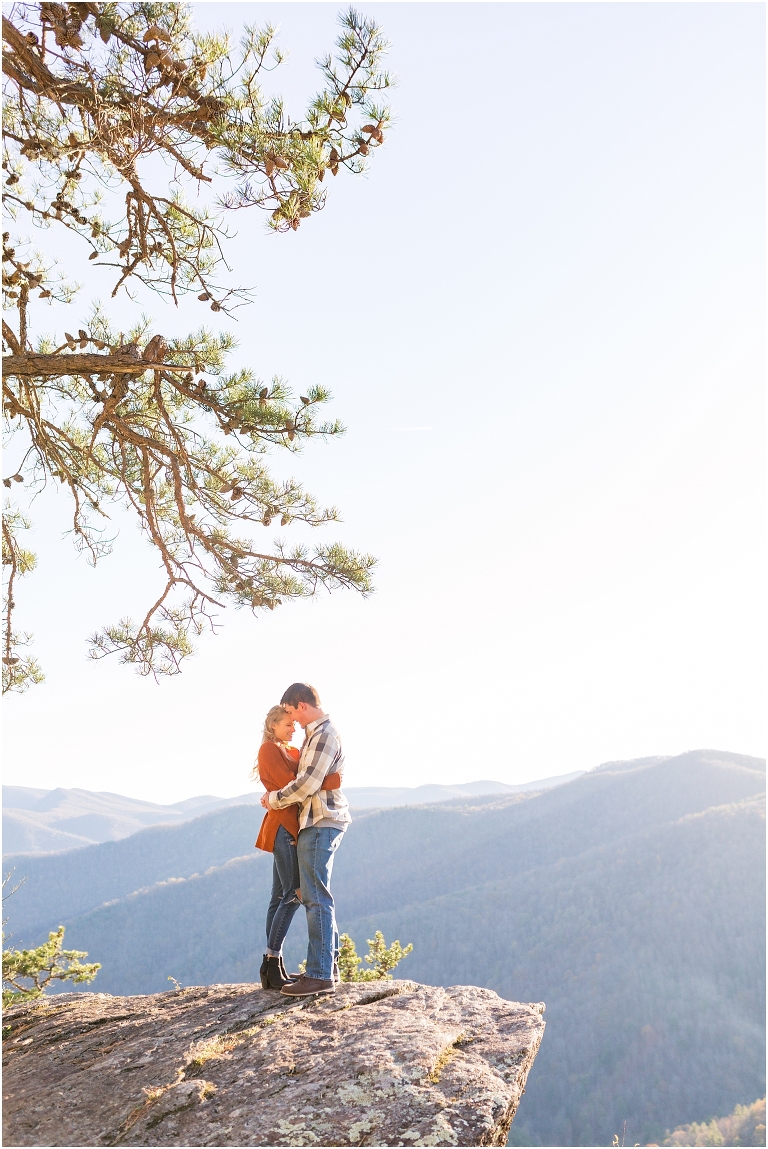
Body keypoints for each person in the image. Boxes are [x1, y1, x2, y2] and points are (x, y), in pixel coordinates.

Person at [260, 682, 350, 997]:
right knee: (315, 895)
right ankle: (327, 969)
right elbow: (313, 780)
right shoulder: (316, 735)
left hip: (320, 819)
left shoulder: (323, 735)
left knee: (314, 897)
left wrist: (272, 799)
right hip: (314, 819)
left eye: (291, 715)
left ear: (300, 706)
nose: (294, 724)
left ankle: (319, 975)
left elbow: (306, 784)